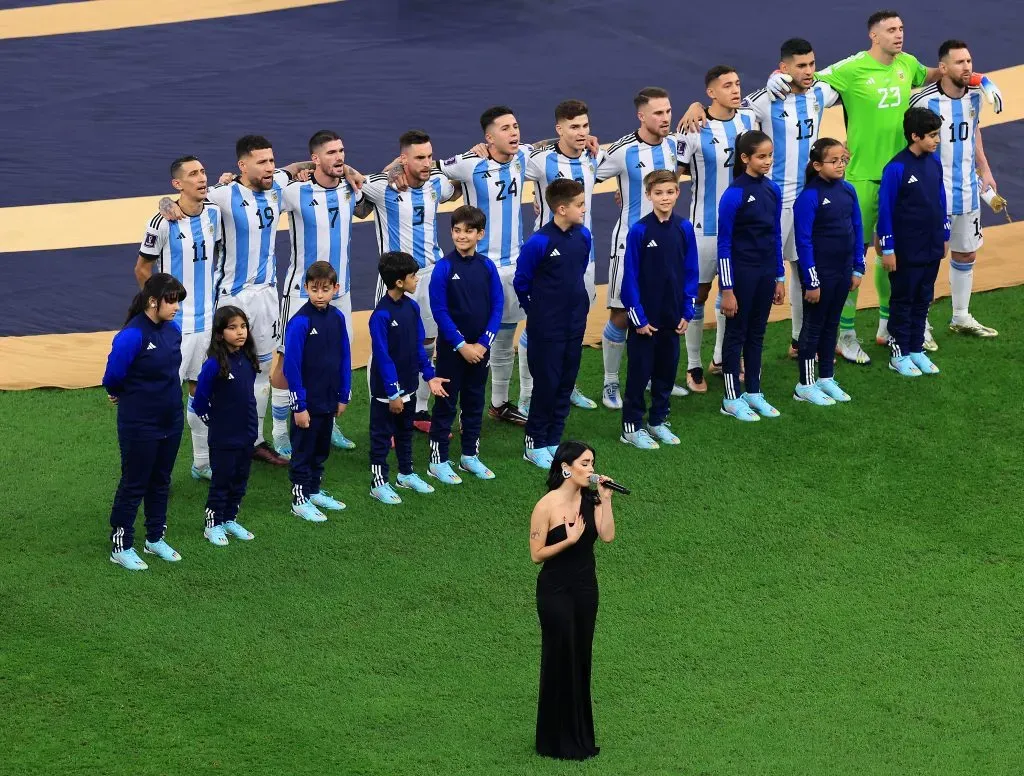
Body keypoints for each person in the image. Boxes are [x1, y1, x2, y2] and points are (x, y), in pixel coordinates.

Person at [764, 12, 1003, 360]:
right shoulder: (852, 68)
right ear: (873, 36)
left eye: (902, 28)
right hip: (861, 175)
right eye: (891, 30)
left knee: (892, 254)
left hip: (900, 177)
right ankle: (845, 333)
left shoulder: (907, 64)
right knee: (854, 255)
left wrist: (980, 78)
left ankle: (885, 326)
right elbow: (806, 77)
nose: (899, 34)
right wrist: (777, 74)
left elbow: (941, 73)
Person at [161, 135, 304, 468]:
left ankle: (257, 440)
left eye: (272, 161)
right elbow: (186, 198)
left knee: (264, 370)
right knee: (224, 373)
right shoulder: (223, 194)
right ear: (243, 165)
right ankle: (218, 447)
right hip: (231, 297)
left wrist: (344, 170)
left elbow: (301, 167)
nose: (270, 167)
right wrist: (164, 202)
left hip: (268, 294)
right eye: (262, 162)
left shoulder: (278, 183)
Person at [742, 39, 841, 357]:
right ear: (783, 68)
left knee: (804, 269)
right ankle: (735, 350)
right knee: (762, 276)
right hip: (773, 201)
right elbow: (726, 113)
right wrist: (694, 109)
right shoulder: (762, 101)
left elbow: (852, 74)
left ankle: (800, 340)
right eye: (801, 65)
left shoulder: (820, 93)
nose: (809, 71)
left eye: (812, 64)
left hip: (808, 199)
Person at [437, 107, 534, 426]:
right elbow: (435, 170)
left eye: (516, 126)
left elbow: (551, 144)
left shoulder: (522, 157)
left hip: (514, 267)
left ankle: (500, 403)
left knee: (504, 337)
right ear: (489, 137)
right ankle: (459, 410)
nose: (514, 133)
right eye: (505, 129)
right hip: (477, 270)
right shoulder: (471, 163)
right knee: (470, 342)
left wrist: (586, 139)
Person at [361, 130, 462, 433]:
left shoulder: (436, 184)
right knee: (385, 349)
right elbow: (353, 186)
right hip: (394, 280)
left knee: (429, 343)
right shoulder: (383, 186)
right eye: (419, 157)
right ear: (403, 158)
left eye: (429, 156)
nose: (427, 163)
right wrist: (391, 169)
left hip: (429, 278)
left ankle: (419, 410)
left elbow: (457, 185)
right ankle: (381, 416)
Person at [272, 130, 364, 457]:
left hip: (341, 292)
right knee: (288, 360)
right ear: (315, 159)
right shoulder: (296, 191)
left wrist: (352, 173)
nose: (339, 157)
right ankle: (279, 431)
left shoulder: (349, 189)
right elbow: (264, 188)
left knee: (334, 356)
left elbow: (367, 208)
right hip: (300, 292)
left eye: (341, 151)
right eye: (331, 153)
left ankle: (329, 421)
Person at [595, 87, 683, 408]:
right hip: (629, 244)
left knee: (660, 309)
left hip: (665, 242)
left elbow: (680, 172)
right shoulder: (621, 151)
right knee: (621, 313)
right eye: (658, 113)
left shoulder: (674, 145)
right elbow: (583, 175)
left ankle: (654, 378)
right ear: (641, 116)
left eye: (668, 111)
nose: (665, 118)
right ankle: (610, 383)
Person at [136, 156, 223, 480]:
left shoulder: (214, 210)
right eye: (193, 174)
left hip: (207, 323)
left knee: (202, 394)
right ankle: (154, 472)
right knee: (163, 402)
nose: (201, 178)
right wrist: (155, 310)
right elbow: (142, 269)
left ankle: (201, 463)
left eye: (203, 171)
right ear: (177, 184)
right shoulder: (162, 222)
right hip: (174, 328)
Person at [530, 441, 616, 761]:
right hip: (555, 592)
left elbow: (606, 535)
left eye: (592, 463)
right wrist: (568, 540)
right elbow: (536, 555)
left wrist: (606, 500)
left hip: (585, 590)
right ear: (566, 467)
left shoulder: (592, 499)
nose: (591, 469)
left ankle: (578, 736)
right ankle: (554, 740)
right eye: (585, 463)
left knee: (580, 657)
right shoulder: (546, 506)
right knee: (559, 656)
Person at [519, 100, 605, 416]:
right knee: (538, 326)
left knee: (575, 323)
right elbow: (506, 157)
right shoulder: (541, 161)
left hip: (584, 255)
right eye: (573, 127)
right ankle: (528, 393)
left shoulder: (594, 158)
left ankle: (567, 387)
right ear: (559, 129)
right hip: (548, 259)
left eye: (585, 126)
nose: (581, 133)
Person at [909, 40, 999, 338]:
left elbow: (974, 131)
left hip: (968, 192)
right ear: (943, 67)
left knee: (966, 254)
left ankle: (960, 316)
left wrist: (984, 169)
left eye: (969, 61)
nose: (967, 67)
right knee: (929, 257)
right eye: (960, 62)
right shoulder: (923, 101)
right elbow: (910, 145)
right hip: (934, 194)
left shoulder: (975, 96)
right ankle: (919, 323)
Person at [676, 67, 758, 393]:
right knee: (698, 295)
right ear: (711, 92)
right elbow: (674, 172)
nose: (735, 90)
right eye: (727, 86)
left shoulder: (750, 120)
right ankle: (693, 365)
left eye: (738, 83)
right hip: (704, 227)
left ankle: (722, 357)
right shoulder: (693, 128)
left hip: (741, 227)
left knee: (732, 293)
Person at [102, 274, 188, 571]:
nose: (176, 307)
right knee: (134, 482)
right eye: (172, 300)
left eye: (178, 300)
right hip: (140, 423)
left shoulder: (173, 330)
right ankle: (121, 544)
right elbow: (112, 376)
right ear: (154, 301)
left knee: (161, 480)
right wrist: (119, 393)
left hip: (171, 420)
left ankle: (154, 538)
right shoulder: (132, 335)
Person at [513, 179, 591, 469]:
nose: (584, 209)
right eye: (579, 205)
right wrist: (539, 311)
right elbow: (522, 283)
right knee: (546, 384)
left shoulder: (583, 236)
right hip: (547, 326)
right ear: (561, 208)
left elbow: (576, 273)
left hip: (574, 322)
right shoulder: (539, 243)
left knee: (565, 382)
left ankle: (553, 441)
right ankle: (534, 443)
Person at [619, 169, 699, 449]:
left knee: (666, 372)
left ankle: (658, 420)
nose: (664, 198)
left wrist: (687, 310)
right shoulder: (639, 230)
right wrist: (638, 317)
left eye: (669, 192)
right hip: (645, 319)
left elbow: (691, 271)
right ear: (648, 195)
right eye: (658, 193)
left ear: (678, 193)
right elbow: (629, 278)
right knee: (639, 374)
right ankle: (631, 426)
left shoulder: (684, 228)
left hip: (672, 316)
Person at [427, 206, 503, 484]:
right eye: (457, 230)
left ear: (480, 234)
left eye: (468, 231)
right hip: (452, 351)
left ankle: (470, 455)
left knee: (474, 402)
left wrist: (483, 344)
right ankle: (438, 460)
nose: (461, 236)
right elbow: (440, 311)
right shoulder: (444, 268)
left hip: (480, 351)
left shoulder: (487, 266)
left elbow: (497, 307)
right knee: (445, 405)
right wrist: (462, 345)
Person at [368, 251, 449, 504]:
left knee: (405, 432)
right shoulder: (380, 316)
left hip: (410, 385)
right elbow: (383, 357)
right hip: (386, 391)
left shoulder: (412, 307)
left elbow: (417, 347)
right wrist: (393, 393)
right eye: (413, 276)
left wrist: (429, 375)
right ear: (400, 282)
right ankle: (378, 482)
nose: (417, 280)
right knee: (381, 437)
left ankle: (406, 474)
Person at [717, 131, 786, 421]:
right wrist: (727, 289)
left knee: (757, 333)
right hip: (741, 274)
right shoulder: (734, 194)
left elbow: (775, 235)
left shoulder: (773, 190)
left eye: (770, 155)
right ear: (745, 158)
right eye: (761, 156)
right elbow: (724, 244)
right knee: (736, 334)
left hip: (765, 272)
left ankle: (754, 391)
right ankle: (731, 398)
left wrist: (780, 276)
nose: (768, 161)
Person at [792, 139, 866, 405]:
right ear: (817, 165)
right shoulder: (809, 197)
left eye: (843, 160)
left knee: (831, 325)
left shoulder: (848, 191)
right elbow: (803, 242)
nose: (840, 165)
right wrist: (812, 280)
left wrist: (858, 266)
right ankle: (805, 384)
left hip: (843, 270)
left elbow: (858, 228)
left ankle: (826, 378)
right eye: (834, 161)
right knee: (813, 328)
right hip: (820, 274)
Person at [878, 108, 949, 377]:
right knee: (903, 299)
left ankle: (916, 348)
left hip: (931, 244)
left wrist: (944, 234)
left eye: (937, 135)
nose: (937, 140)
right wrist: (888, 249)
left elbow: (940, 200)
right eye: (932, 136)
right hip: (906, 248)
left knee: (923, 297)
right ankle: (899, 353)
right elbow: (885, 210)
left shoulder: (934, 162)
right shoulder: (896, 168)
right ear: (915, 136)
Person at [283, 261, 352, 522]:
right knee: (303, 450)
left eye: (325, 290)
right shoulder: (300, 322)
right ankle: (299, 498)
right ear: (306, 289)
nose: (320, 295)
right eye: (314, 290)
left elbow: (345, 356)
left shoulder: (337, 318)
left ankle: (313, 490)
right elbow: (291, 366)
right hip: (307, 403)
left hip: (329, 398)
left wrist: (343, 394)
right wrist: (299, 406)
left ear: (335, 288)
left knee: (321, 448)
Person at [191, 306, 259, 545]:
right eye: (232, 328)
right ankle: (213, 524)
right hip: (223, 437)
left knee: (240, 479)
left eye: (243, 326)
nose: (240, 332)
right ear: (220, 334)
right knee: (222, 480)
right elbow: (199, 402)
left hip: (247, 433)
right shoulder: (213, 365)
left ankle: (230, 518)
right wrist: (216, 422)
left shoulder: (248, 359)